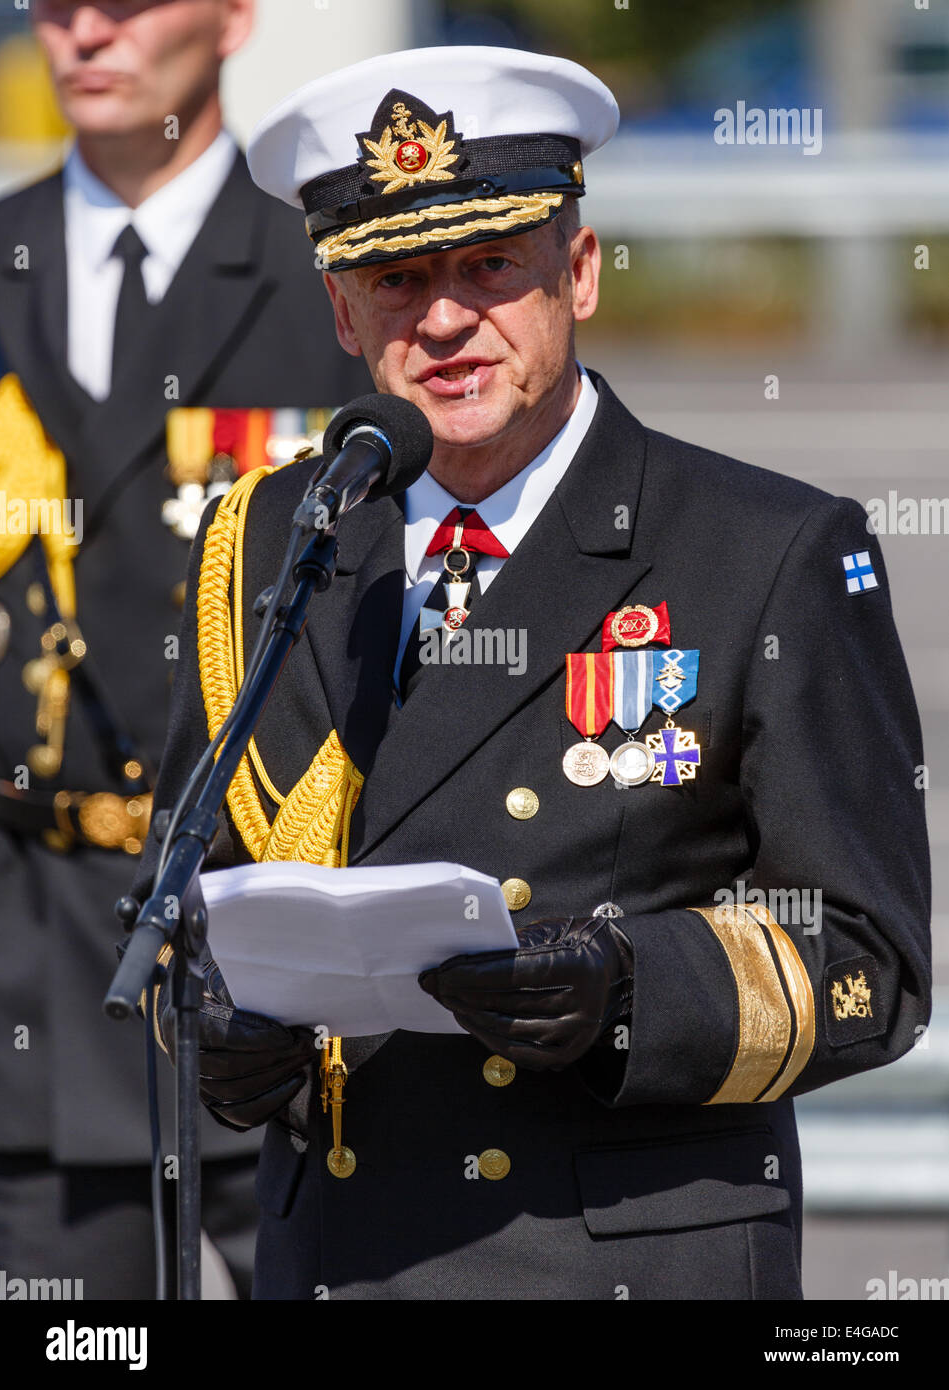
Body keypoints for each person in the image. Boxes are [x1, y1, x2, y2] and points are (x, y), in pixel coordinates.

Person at [135, 45, 931, 1300]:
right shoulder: (270, 543)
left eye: (487, 266)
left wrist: (625, 986)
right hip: (344, 1254)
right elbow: (187, 893)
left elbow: (869, 962)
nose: (442, 319)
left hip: (613, 1254)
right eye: (393, 279)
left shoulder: (763, 549)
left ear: (579, 270)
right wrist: (225, 1034)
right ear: (341, 314)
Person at [0, 0, 367, 1299]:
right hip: (36, 964)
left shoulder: (340, 274)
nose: (85, 34)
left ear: (233, 18)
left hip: (278, 946)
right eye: (56, 6)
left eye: (130, 3)